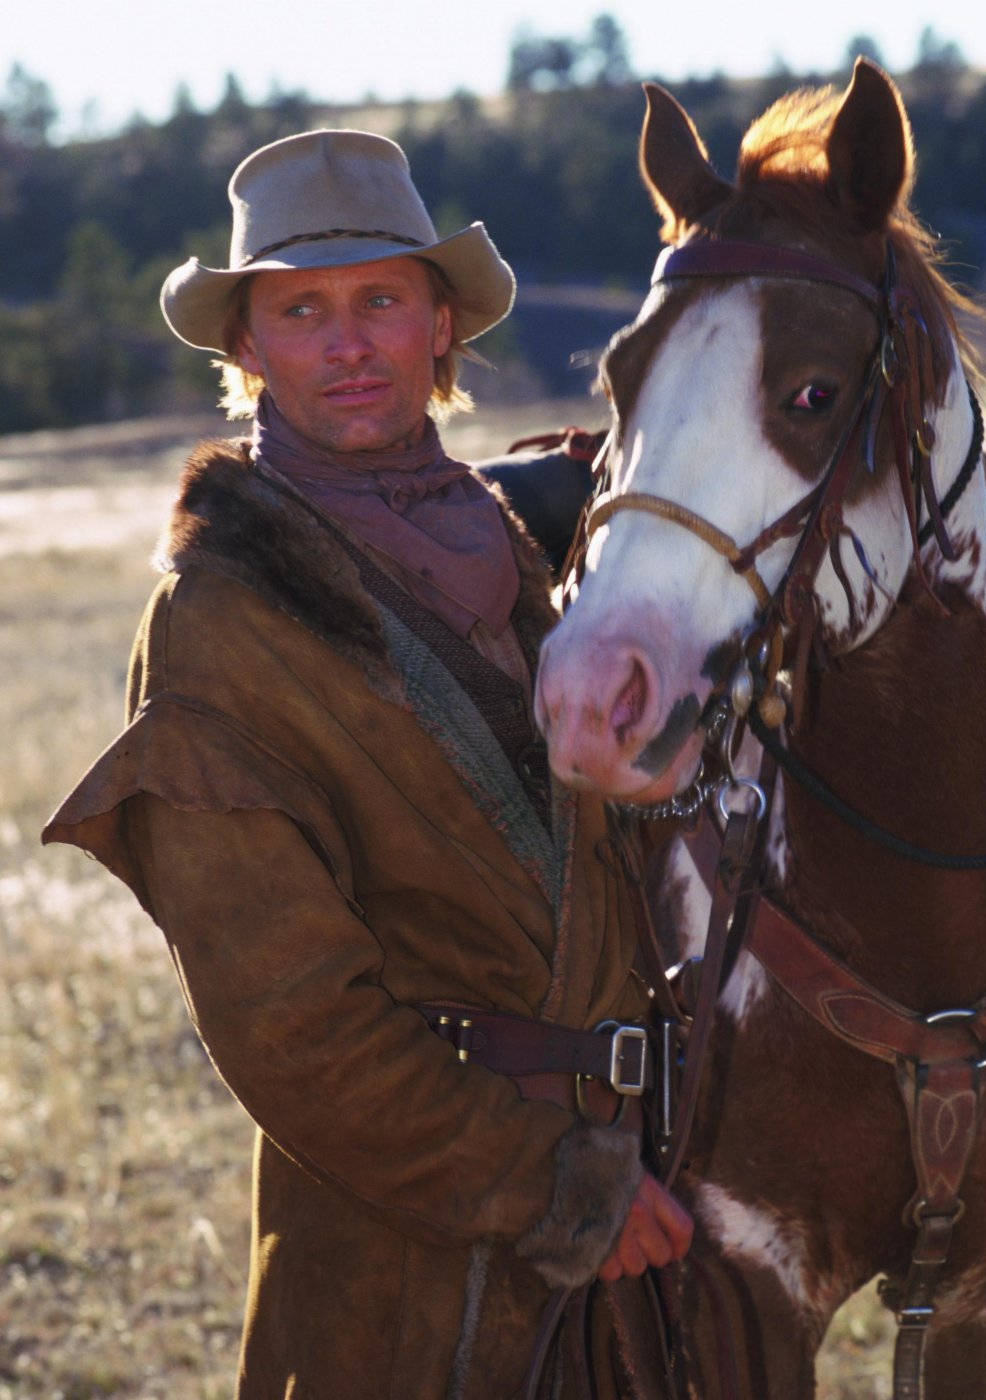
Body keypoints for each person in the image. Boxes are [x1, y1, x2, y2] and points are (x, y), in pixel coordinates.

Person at [43, 128, 692, 1398]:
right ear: (248, 348)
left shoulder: (515, 542)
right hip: (415, 1254)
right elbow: (298, 1030)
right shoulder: (218, 618)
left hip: (645, 1205)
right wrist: (561, 1188)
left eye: (381, 300)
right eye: (301, 309)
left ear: (438, 324)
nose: (348, 344)